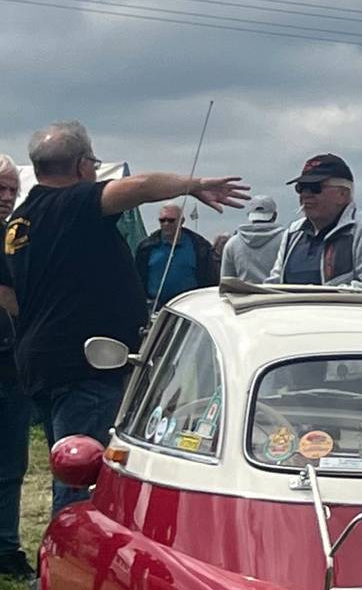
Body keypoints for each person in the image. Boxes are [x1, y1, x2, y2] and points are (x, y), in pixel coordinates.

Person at [5, 123, 247, 508]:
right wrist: (193, 183)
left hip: (43, 360)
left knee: (67, 463)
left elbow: (8, 293)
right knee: (85, 476)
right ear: (84, 166)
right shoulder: (72, 203)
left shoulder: (20, 222)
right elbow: (140, 186)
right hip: (85, 364)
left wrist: (43, 317)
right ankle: (73, 560)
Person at [274, 153, 362, 288]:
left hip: (341, 309)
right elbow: (275, 282)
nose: (305, 194)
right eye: (300, 188)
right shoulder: (293, 232)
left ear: (343, 194)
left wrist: (318, 299)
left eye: (315, 188)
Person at [0, 156, 25, 578]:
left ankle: (5, 547)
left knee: (11, 463)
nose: (5, 198)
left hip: (11, 362)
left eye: (10, 190)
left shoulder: (14, 237)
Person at [137, 201, 218, 307]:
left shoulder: (199, 246)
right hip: (155, 308)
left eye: (171, 220)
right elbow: (137, 278)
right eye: (162, 220)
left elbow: (211, 279)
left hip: (189, 307)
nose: (166, 224)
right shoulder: (146, 247)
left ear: (182, 221)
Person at [218, 196, 284, 284]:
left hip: (243, 297)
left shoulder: (232, 244)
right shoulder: (286, 239)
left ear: (249, 215)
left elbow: (226, 282)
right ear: (275, 215)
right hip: (279, 296)